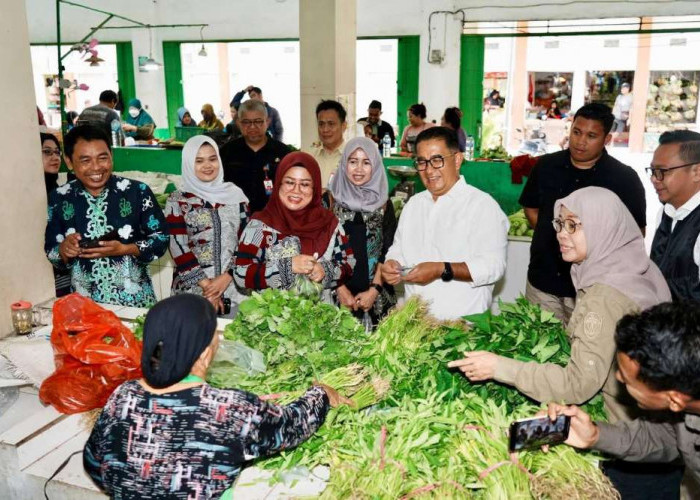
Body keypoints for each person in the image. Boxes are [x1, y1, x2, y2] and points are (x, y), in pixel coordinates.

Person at [84, 293, 349, 499]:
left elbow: (94, 462)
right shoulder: (227, 409)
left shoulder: (123, 397)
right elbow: (292, 425)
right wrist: (321, 393)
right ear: (204, 354)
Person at [449, 187, 670, 424]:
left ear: (602, 226)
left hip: (626, 431)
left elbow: (578, 384)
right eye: (560, 224)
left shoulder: (604, 296)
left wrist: (498, 367)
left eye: (573, 225)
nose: (562, 234)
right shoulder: (632, 267)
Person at [544, 302, 700, 496]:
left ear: (675, 400)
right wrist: (594, 435)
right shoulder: (686, 404)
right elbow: (663, 437)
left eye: (627, 380)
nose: (617, 378)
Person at [519, 103, 646, 323]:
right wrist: (556, 236)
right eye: (576, 132)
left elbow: (636, 232)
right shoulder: (546, 166)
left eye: (591, 135)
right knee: (537, 350)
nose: (580, 141)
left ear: (607, 139)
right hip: (543, 280)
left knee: (587, 354)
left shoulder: (623, 179)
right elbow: (531, 207)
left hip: (593, 290)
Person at [382, 127, 508, 320]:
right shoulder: (414, 205)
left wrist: (442, 269)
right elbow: (398, 247)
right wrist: (392, 263)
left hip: (463, 327)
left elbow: (493, 266)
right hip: (415, 326)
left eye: (437, 160)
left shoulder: (482, 206)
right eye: (422, 162)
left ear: (457, 160)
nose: (429, 170)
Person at [44, 125, 168, 307]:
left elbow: (161, 239)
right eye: (85, 160)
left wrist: (127, 249)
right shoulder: (59, 197)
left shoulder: (137, 191)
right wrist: (64, 250)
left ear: (111, 156)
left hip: (136, 305)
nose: (96, 167)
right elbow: (51, 251)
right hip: (85, 308)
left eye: (103, 158)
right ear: (69, 162)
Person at [234, 152, 355, 302]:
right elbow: (241, 273)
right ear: (279, 184)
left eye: (304, 184)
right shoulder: (259, 225)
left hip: (320, 319)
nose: (296, 190)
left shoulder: (329, 223)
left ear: (315, 188)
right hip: (272, 320)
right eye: (290, 182)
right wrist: (287, 267)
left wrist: (325, 271)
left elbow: (348, 263)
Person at [165, 136, 249, 316]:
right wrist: (208, 287)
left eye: (212, 159)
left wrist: (225, 279)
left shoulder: (236, 196)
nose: (207, 165)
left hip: (234, 289)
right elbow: (178, 247)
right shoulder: (177, 200)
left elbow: (246, 244)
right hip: (192, 291)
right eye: (199, 161)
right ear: (188, 164)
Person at [327, 137, 397, 325]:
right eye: (353, 161)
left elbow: (389, 250)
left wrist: (374, 290)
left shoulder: (383, 204)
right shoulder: (330, 201)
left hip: (377, 295)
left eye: (366, 162)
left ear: (375, 166)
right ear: (344, 164)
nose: (359, 169)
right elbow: (322, 250)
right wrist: (340, 289)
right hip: (335, 295)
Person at [648, 130, 700, 301]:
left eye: (663, 171)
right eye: (653, 171)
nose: (655, 179)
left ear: (697, 172)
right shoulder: (665, 212)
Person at [220, 99, 290, 213]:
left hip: (273, 218)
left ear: (267, 122)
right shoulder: (227, 152)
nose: (252, 127)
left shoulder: (282, 153)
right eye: (246, 122)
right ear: (238, 123)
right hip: (234, 218)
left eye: (258, 121)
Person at [41, 132, 72, 297]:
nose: (54, 157)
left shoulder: (59, 190)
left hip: (62, 267)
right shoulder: (37, 192)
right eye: (47, 152)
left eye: (57, 152)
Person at [308, 99, 348, 187]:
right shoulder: (310, 159)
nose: (325, 129)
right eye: (321, 124)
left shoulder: (352, 157)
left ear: (344, 126)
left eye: (331, 124)